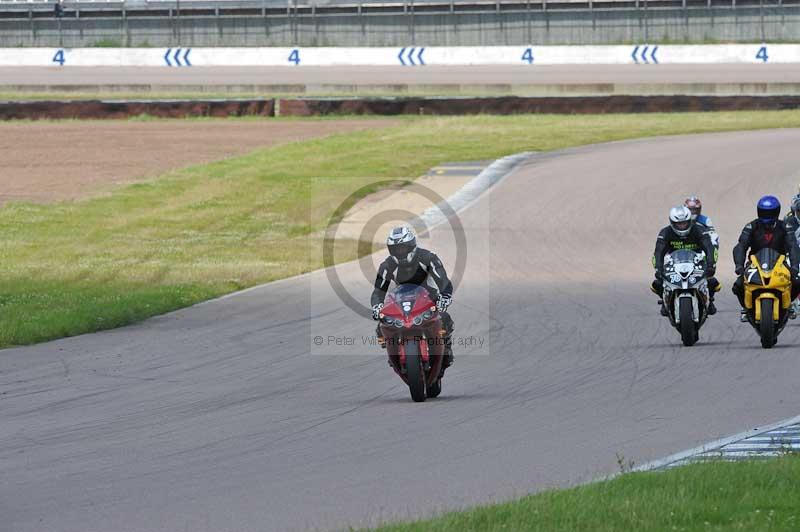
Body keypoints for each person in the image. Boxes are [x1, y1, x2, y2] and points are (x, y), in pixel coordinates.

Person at [371, 226, 454, 370]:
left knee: (444, 317)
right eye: (395, 249)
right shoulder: (387, 266)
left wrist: (445, 296)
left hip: (429, 298)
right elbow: (378, 291)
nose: (399, 252)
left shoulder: (428, 257)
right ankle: (392, 349)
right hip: (401, 301)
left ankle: (446, 349)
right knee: (381, 325)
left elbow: (444, 281)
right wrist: (377, 306)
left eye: (402, 248)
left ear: (411, 245)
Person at [732, 195, 800, 322]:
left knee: (797, 282)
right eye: (763, 212)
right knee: (738, 284)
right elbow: (740, 247)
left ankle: (789, 304)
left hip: (780, 264)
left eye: (770, 212)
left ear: (776, 212)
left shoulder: (785, 227)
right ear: (758, 212)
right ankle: (746, 309)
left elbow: (793, 247)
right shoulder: (751, 227)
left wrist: (795, 266)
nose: (766, 215)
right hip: (754, 264)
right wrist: (739, 265)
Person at [652, 205, 718, 315]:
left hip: (697, 262)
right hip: (673, 264)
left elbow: (710, 248)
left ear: (689, 221)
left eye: (684, 223)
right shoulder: (665, 233)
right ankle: (665, 301)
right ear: (672, 223)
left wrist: (711, 265)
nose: (682, 226)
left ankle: (709, 300)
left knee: (713, 282)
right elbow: (658, 252)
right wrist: (658, 269)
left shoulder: (700, 230)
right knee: (656, 284)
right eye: (678, 224)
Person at [684, 195, 721, 305]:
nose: (693, 212)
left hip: (700, 250)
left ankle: (710, 298)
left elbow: (713, 236)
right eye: (690, 210)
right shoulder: (681, 220)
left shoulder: (705, 220)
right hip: (684, 249)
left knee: (708, 274)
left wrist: (711, 246)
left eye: (695, 210)